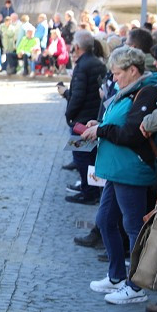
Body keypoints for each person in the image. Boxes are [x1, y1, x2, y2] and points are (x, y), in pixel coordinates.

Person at [81, 46, 157, 305]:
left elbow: (133, 134)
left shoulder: (147, 92)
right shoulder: (131, 90)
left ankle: (135, 285)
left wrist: (101, 130)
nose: (114, 78)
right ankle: (116, 276)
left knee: (132, 226)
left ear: (133, 70)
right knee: (106, 221)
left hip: (131, 169)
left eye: (118, 73)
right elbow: (120, 125)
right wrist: (100, 126)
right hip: (117, 169)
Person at [61, 31, 108, 208]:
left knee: (81, 158)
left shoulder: (82, 66)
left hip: (82, 121)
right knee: (89, 158)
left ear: (77, 47)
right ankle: (91, 190)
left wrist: (69, 115)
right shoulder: (96, 62)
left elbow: (77, 96)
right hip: (92, 116)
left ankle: (89, 192)